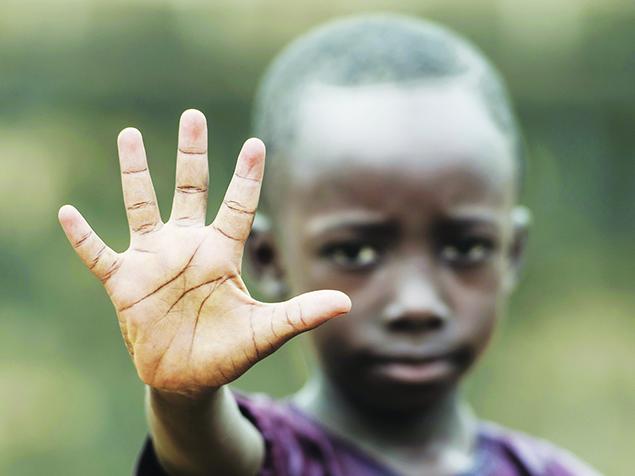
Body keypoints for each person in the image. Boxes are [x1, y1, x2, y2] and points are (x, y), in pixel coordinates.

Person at [58, 14, 600, 476]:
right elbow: (208, 455)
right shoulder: (279, 455)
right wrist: (184, 398)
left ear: (513, 252)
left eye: (465, 248)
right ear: (270, 258)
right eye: (356, 253)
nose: (416, 304)